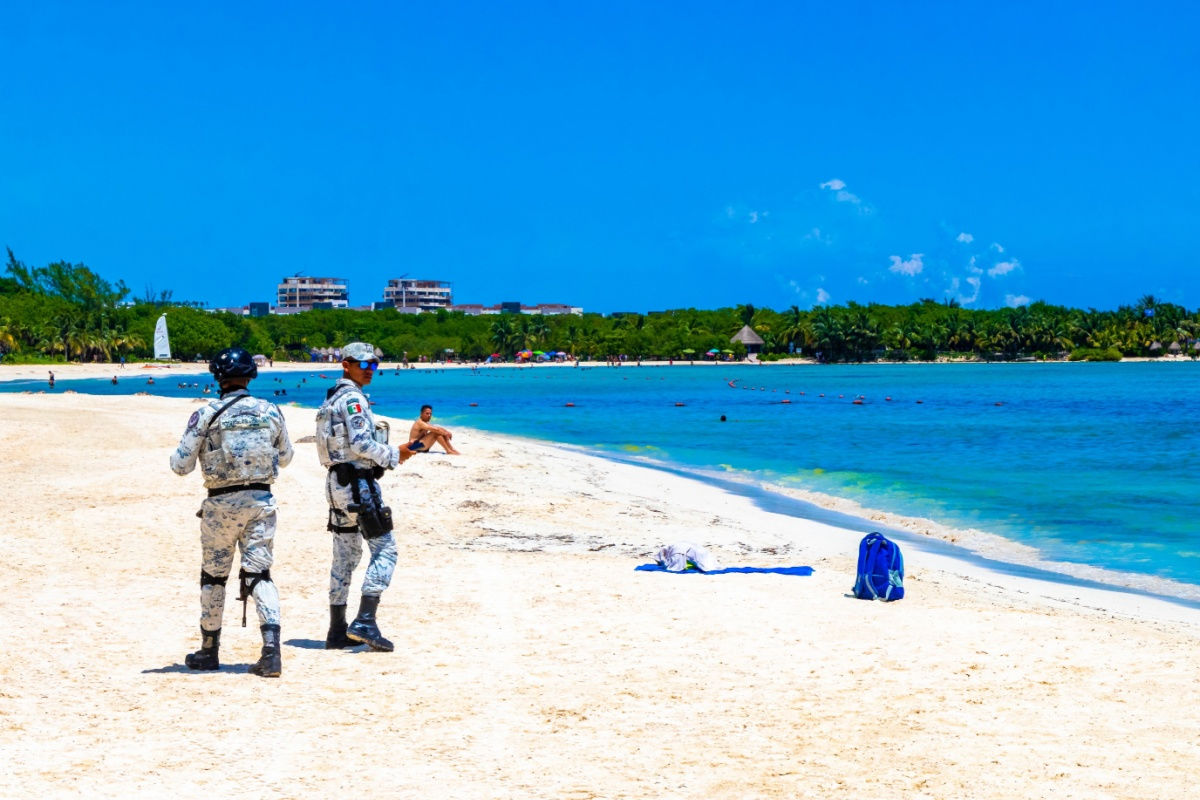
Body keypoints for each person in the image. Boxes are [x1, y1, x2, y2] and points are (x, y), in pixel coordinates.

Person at [169, 347, 294, 678]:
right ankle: (271, 653)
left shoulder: (206, 414)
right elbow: (286, 458)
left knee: (214, 577)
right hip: (261, 502)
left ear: (217, 377)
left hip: (221, 505)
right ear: (251, 375)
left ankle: (209, 651)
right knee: (260, 575)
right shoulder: (271, 411)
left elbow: (181, 466)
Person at [315, 342, 416, 652]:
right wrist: (392, 455)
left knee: (345, 557)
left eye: (374, 365)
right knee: (385, 550)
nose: (371, 370)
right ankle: (365, 621)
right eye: (364, 365)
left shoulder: (331, 399)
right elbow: (361, 444)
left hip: (336, 484)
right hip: (358, 486)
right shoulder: (354, 400)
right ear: (346, 364)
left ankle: (336, 630)